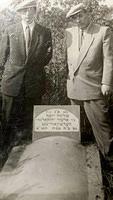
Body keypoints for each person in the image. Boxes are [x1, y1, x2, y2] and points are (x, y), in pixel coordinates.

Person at [65, 3, 113, 169]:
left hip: (94, 88)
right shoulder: (69, 33)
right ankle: (83, 169)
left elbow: (108, 59)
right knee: (78, 131)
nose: (77, 20)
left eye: (80, 15)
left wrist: (106, 82)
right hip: (73, 89)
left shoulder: (102, 31)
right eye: (74, 17)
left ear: (88, 13)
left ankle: (109, 167)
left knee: (103, 130)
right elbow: (69, 60)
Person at [0, 0, 52, 148]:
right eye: (24, 11)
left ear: (35, 11)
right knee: (8, 122)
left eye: (30, 10)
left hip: (34, 84)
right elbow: (2, 56)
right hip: (11, 83)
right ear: (19, 13)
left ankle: (28, 159)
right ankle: (5, 155)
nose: (27, 14)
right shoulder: (10, 30)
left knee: (30, 123)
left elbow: (48, 56)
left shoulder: (45, 32)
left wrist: (33, 69)